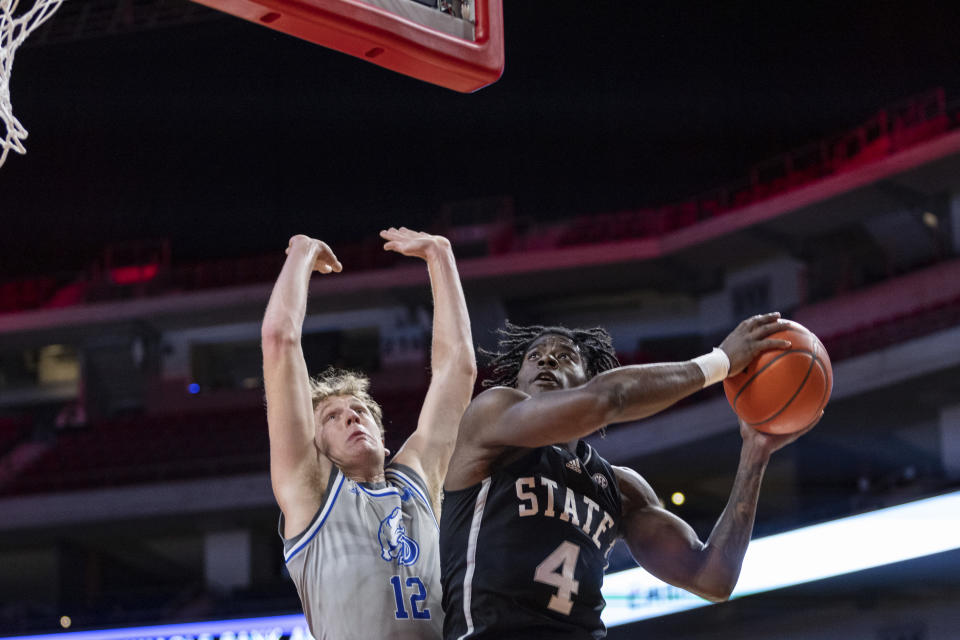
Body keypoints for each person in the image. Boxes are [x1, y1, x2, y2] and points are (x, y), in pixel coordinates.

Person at [440, 313, 818, 639]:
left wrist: (754, 453)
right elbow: (606, 400)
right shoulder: (490, 420)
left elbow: (711, 577)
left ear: (588, 376)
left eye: (564, 356)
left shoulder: (620, 488)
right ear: (517, 378)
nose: (546, 362)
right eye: (533, 357)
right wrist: (719, 362)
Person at [261, 227, 476, 640]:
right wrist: (302, 254)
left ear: (383, 434)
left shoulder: (416, 483)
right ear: (316, 449)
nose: (351, 418)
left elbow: (458, 371)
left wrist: (440, 255)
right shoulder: (310, 491)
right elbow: (279, 340)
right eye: (332, 417)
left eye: (360, 411)